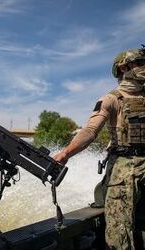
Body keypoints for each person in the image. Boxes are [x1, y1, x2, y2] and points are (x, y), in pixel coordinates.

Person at [53, 46, 145, 249]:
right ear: (124, 68)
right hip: (124, 171)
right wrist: (66, 153)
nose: (144, 67)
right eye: (140, 63)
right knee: (119, 233)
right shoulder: (111, 99)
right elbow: (89, 131)